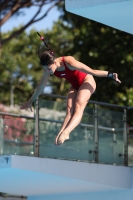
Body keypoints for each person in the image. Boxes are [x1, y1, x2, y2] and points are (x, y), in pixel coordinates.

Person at [20, 34, 121, 146]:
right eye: (45, 69)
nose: (48, 71)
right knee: (69, 111)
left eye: (49, 68)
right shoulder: (48, 69)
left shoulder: (68, 61)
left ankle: (67, 132)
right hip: (75, 85)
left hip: (87, 81)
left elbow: (92, 71)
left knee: (78, 106)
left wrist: (111, 75)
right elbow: (40, 87)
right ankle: (61, 134)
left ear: (54, 62)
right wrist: (30, 102)